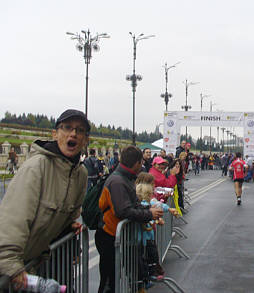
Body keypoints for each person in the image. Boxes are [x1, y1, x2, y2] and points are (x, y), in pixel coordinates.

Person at [0, 109, 90, 289]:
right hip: (11, 270)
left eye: (80, 130)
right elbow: (13, 219)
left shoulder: (80, 174)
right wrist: (11, 265)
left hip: (35, 264)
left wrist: (67, 225)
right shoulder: (37, 167)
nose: (73, 133)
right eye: (67, 127)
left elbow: (70, 212)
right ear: (55, 134)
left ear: (85, 140)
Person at [96, 146, 163, 293]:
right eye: (141, 162)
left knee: (119, 277)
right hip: (109, 236)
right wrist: (149, 214)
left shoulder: (123, 178)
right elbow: (123, 211)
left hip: (116, 235)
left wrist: (147, 210)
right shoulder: (118, 181)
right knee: (109, 281)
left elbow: (133, 205)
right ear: (137, 163)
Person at [135, 173, 178, 280]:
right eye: (152, 184)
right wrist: (165, 212)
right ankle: (149, 276)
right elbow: (156, 206)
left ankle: (150, 274)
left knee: (149, 256)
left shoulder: (148, 202)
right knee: (147, 257)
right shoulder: (145, 204)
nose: (154, 186)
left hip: (148, 236)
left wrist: (165, 211)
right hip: (143, 238)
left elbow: (158, 205)